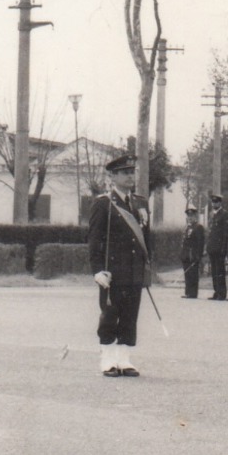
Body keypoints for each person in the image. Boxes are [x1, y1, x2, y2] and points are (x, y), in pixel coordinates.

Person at [88, 154, 153, 378]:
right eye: (124, 172)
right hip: (112, 270)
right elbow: (94, 239)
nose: (129, 176)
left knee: (130, 315)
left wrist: (147, 265)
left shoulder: (140, 202)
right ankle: (107, 359)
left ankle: (124, 360)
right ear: (112, 176)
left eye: (131, 172)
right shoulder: (103, 203)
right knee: (110, 314)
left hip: (135, 269)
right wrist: (97, 270)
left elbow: (146, 237)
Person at [205, 195, 228, 301]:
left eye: (216, 203)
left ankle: (222, 293)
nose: (214, 204)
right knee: (214, 271)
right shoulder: (211, 214)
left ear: (220, 203)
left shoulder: (224, 214)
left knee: (220, 271)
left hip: (219, 247)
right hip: (212, 247)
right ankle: (216, 291)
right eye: (213, 203)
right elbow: (210, 232)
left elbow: (225, 233)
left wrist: (223, 247)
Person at [181, 207, 206, 298]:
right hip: (186, 254)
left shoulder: (198, 227)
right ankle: (188, 292)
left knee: (193, 274)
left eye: (192, 215)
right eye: (188, 216)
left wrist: (198, 255)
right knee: (187, 273)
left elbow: (200, 242)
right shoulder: (187, 227)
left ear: (196, 216)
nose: (190, 217)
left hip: (193, 254)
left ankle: (193, 293)